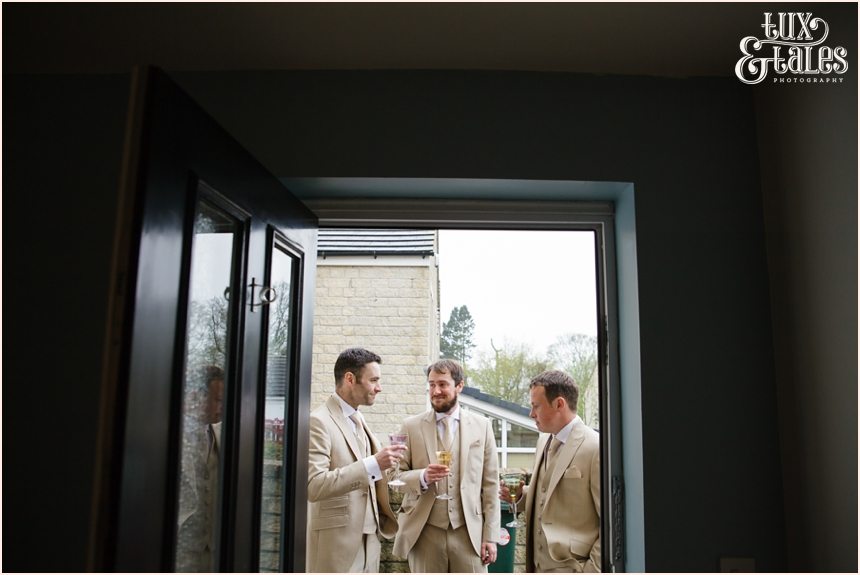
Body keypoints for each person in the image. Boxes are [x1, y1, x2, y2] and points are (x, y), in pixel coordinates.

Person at [392, 359, 500, 573]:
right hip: (425, 533)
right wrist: (422, 476)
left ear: (459, 386)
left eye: (442, 384)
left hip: (469, 533)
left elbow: (490, 484)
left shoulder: (482, 426)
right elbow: (395, 477)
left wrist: (490, 535)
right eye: (431, 385)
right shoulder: (410, 426)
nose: (436, 391)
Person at [307, 348, 406, 572]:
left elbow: (373, 475)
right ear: (350, 379)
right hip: (336, 544)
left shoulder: (358, 418)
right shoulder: (318, 421)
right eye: (373, 380)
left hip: (370, 540)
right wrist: (373, 464)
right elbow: (314, 485)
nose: (379, 388)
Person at [501, 369, 601, 573]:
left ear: (559, 404)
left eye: (536, 406)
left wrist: (591, 570)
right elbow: (548, 494)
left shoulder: (595, 447)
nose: (531, 414)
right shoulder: (543, 440)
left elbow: (610, 523)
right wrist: (521, 496)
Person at [176, 364, 225, 572]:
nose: (222, 406)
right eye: (218, 400)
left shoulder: (219, 434)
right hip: (179, 549)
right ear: (196, 397)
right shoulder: (172, 436)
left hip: (212, 553)